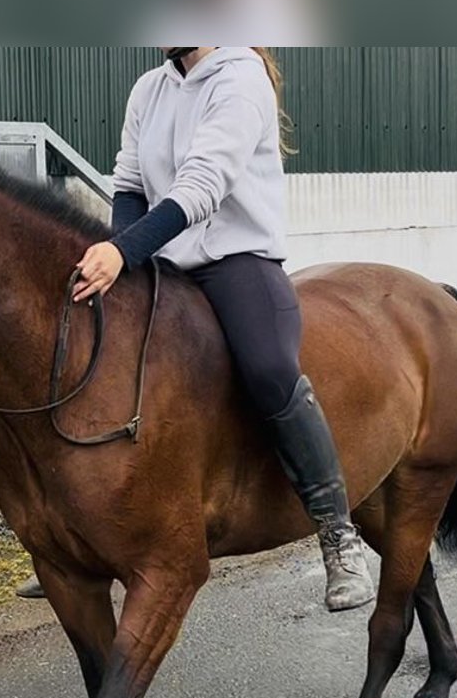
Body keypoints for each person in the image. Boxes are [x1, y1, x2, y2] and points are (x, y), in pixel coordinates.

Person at [19, 47, 374, 612]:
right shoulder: (149, 88)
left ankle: (338, 534)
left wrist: (120, 251)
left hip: (236, 261)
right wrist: (125, 257)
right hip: (160, 260)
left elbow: (202, 187)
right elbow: (130, 181)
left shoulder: (241, 78)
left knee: (270, 369)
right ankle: (78, 537)